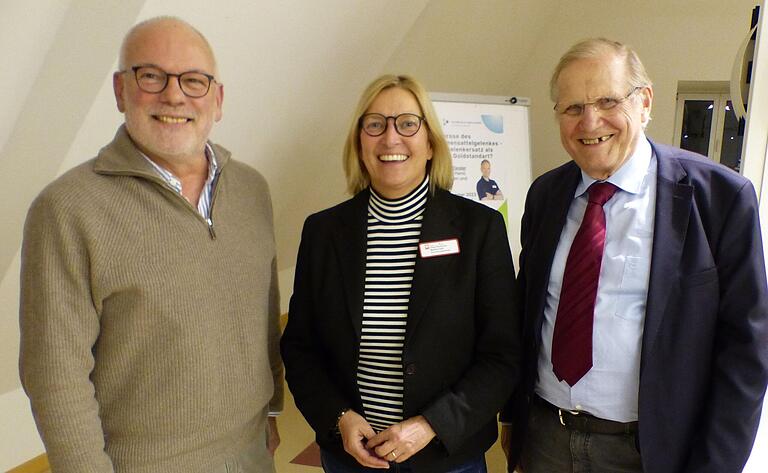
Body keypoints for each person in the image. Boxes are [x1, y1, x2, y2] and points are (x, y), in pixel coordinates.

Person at [19, 17, 283, 472]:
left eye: (193, 81)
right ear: (121, 91)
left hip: (252, 451)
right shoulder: (66, 209)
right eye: (151, 76)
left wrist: (273, 409)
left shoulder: (251, 189)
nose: (175, 95)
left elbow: (263, 313)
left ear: (217, 101)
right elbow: (55, 375)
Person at [501, 37, 768, 473]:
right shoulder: (546, 194)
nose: (590, 122)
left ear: (644, 102)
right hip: (546, 437)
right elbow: (529, 314)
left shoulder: (720, 199)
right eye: (572, 108)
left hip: (652, 451)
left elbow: (746, 353)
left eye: (607, 100)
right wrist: (513, 414)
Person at [281, 74, 520, 472]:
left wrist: (432, 425)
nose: (391, 139)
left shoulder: (479, 229)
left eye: (408, 124)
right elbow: (301, 347)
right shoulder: (324, 232)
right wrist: (340, 417)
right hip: (351, 458)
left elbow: (502, 355)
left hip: (446, 457)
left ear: (430, 143)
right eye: (375, 124)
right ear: (360, 143)